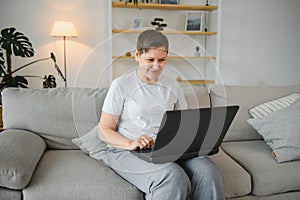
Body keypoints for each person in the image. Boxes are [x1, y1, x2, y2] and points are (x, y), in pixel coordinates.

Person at [98, 29, 225, 200]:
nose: (156, 66)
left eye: (162, 60)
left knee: (207, 170)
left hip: (167, 149)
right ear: (137, 55)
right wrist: (130, 143)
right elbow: (104, 129)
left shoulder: (172, 86)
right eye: (150, 59)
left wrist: (198, 141)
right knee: (173, 176)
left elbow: (183, 124)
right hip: (125, 151)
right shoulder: (121, 85)